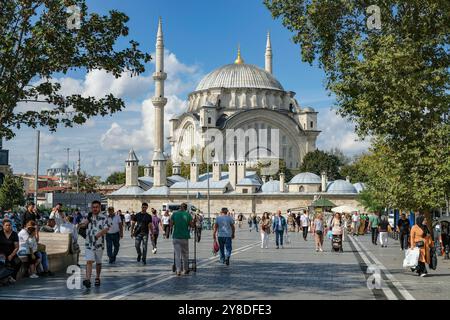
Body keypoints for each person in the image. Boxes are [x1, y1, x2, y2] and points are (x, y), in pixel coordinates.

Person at [80, 200, 110, 288]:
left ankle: (97, 277)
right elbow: (80, 226)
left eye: (97, 207)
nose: (95, 209)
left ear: (100, 208)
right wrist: (83, 224)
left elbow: (106, 229)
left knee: (98, 262)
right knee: (89, 261)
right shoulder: (87, 216)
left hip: (99, 243)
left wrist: (97, 236)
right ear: (91, 208)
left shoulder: (104, 218)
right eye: (93, 207)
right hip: (89, 242)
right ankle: (88, 279)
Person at [171, 203, 194, 275]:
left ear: (180, 207)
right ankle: (185, 269)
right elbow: (191, 225)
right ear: (186, 208)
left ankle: (178, 270)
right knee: (185, 254)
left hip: (176, 236)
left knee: (177, 255)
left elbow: (171, 224)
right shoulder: (188, 215)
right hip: (184, 236)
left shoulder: (174, 214)